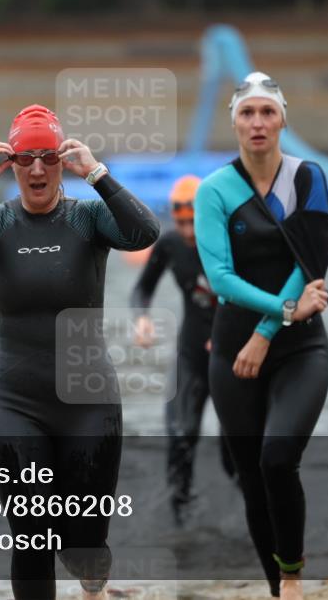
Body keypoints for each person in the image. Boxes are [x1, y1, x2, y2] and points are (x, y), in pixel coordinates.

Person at [0, 104, 159, 600]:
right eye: (24, 159)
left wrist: (97, 173)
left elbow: (145, 233)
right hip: (14, 400)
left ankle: (91, 573)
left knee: (83, 545)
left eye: (47, 158)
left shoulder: (89, 217)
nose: (36, 170)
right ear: (9, 163)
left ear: (61, 161)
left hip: (87, 400)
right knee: (32, 535)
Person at [193, 71, 328, 600]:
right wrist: (287, 308)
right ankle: (277, 590)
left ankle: (293, 577)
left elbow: (313, 258)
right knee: (252, 477)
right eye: (247, 114)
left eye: (267, 112)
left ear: (282, 120)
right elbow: (221, 279)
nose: (257, 123)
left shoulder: (307, 177)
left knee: (278, 458)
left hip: (300, 347)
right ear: (234, 123)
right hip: (233, 350)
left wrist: (273, 328)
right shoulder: (214, 190)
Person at [129, 175, 234, 525]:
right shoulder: (171, 244)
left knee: (233, 453)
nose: (189, 231)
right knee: (180, 437)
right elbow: (142, 289)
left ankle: (250, 522)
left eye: (195, 222)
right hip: (191, 355)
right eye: (182, 222)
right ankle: (180, 525)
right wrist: (141, 317)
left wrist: (229, 332)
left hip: (233, 358)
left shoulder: (230, 241)